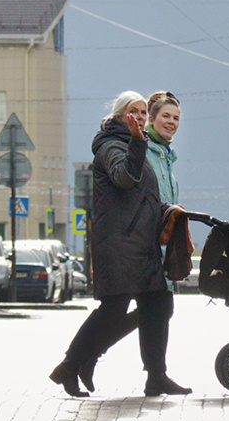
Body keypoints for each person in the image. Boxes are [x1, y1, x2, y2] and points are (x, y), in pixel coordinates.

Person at [50, 92, 193, 398]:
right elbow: (125, 177)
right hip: (118, 244)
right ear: (119, 116)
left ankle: (156, 376)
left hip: (140, 244)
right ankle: (70, 365)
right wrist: (138, 141)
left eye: (143, 112)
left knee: (158, 304)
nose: (140, 117)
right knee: (113, 310)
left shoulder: (132, 144)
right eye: (134, 112)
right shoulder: (111, 145)